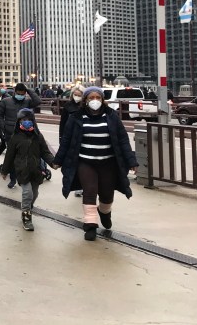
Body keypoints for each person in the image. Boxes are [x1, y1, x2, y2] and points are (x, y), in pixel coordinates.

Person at [53, 86, 139, 241]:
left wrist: (131, 161)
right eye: (91, 98)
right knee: (90, 191)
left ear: (102, 100)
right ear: (85, 100)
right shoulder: (76, 118)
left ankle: (104, 212)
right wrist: (58, 160)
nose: (95, 101)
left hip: (108, 162)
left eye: (98, 98)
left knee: (107, 194)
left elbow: (123, 140)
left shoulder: (112, 116)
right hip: (86, 162)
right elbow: (67, 141)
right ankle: (90, 225)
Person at [1, 108, 55, 231]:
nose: (26, 122)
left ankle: (28, 208)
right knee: (27, 193)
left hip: (36, 170)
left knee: (34, 194)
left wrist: (53, 163)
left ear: (33, 121)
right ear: (19, 121)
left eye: (29, 120)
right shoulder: (15, 137)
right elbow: (9, 155)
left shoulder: (38, 136)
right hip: (22, 170)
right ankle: (26, 217)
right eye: (23, 120)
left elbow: (45, 152)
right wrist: (5, 170)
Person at [0, 82, 41, 187]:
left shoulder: (27, 102)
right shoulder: (5, 102)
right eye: (19, 93)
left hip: (25, 133)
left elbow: (38, 101)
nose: (21, 96)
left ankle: (22, 177)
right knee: (12, 155)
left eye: (23, 94)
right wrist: (4, 127)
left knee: (24, 156)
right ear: (15, 92)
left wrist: (29, 90)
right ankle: (13, 178)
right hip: (10, 133)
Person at [58, 84, 85, 197]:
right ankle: (78, 186)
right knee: (74, 163)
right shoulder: (68, 106)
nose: (77, 97)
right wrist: (61, 138)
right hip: (71, 138)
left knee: (84, 163)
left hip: (84, 138)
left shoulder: (86, 107)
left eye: (79, 95)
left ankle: (85, 185)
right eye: (75, 94)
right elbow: (62, 124)